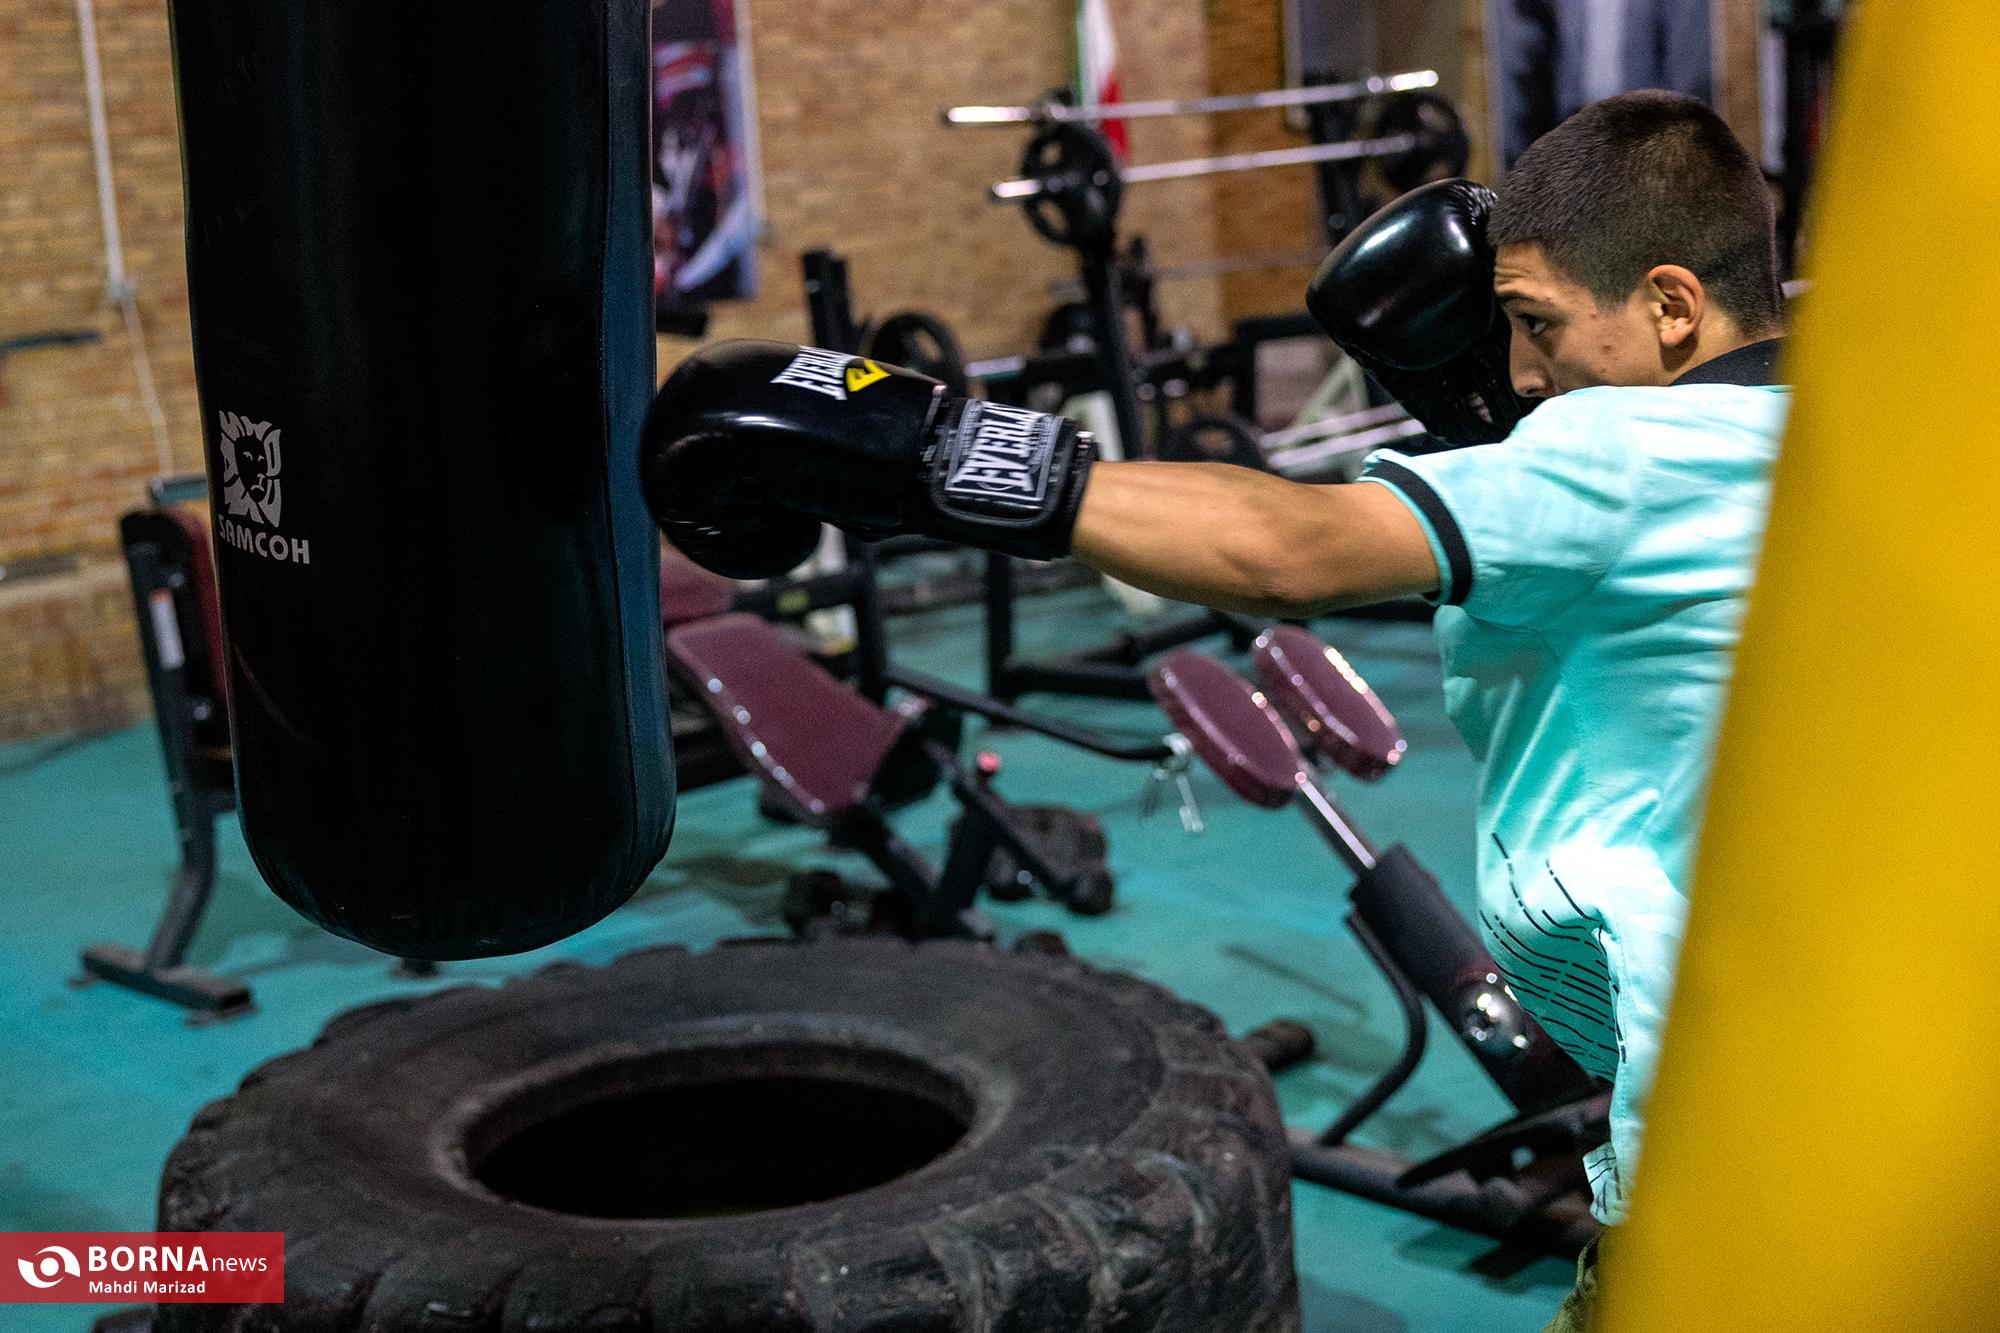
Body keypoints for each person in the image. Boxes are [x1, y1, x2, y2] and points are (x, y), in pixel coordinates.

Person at [642, 89, 1787, 1330]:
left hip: (1719, 1189)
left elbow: (1282, 548)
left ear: (1671, 305)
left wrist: (931, 449)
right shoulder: (1822, 426)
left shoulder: (1628, 452)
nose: (1516, 370)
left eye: (1537, 324)